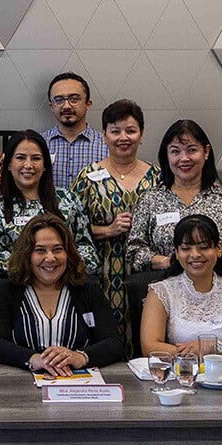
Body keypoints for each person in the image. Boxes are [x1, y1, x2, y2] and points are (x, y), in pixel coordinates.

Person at [0, 214, 125, 374]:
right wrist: (33, 358)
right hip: (21, 382)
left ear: (68, 253)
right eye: (40, 250)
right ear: (27, 255)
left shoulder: (88, 290)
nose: (50, 258)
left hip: (78, 384)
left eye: (58, 249)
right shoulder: (6, 292)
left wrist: (80, 357)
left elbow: (114, 343)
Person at [126, 120, 222, 282]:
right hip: (163, 294)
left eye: (192, 150)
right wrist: (167, 262)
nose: (184, 158)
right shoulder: (150, 199)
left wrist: (218, 272)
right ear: (166, 155)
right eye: (175, 151)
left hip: (219, 295)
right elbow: (134, 251)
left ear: (206, 151)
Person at [71, 99, 161, 328]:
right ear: (104, 135)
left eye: (131, 131)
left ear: (141, 135)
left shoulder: (158, 177)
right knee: (105, 331)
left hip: (149, 272)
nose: (123, 137)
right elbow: (69, 230)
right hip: (102, 272)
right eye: (115, 131)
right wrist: (107, 230)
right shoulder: (88, 177)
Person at [139, 215, 222, 366]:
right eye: (186, 248)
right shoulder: (161, 292)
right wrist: (210, 360)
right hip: (180, 377)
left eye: (203, 247)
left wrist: (213, 346)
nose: (195, 254)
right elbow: (150, 347)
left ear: (218, 249)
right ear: (176, 252)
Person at [0, 130, 98, 275]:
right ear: (9, 165)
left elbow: (87, 250)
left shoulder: (68, 199)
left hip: (66, 287)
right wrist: (40, 267)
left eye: (36, 158)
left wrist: (56, 267)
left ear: (45, 165)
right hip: (16, 289)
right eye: (20, 158)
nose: (28, 165)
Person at [42, 73, 107, 189]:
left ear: (88, 104)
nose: (66, 106)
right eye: (59, 100)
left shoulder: (107, 145)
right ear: (51, 106)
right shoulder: (39, 145)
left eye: (74, 99)